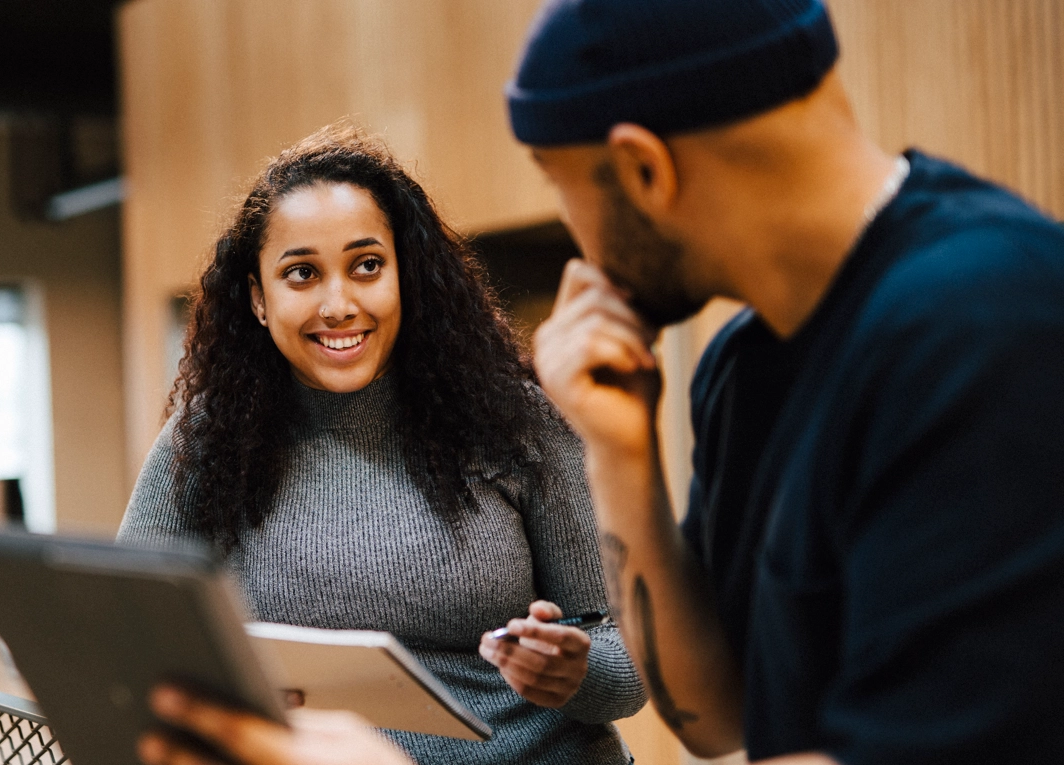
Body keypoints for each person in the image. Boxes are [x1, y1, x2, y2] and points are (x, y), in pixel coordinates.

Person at [135, 1, 1064, 764]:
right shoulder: (745, 362)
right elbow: (713, 718)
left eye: (561, 182)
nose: (577, 238)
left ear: (644, 169)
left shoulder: (989, 321)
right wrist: (622, 454)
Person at [119, 124, 645, 765]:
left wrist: (577, 671)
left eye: (367, 266)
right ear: (258, 299)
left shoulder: (515, 421)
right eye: (302, 274)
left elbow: (631, 658)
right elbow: (131, 638)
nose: (339, 304)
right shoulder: (205, 440)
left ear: (406, 276)